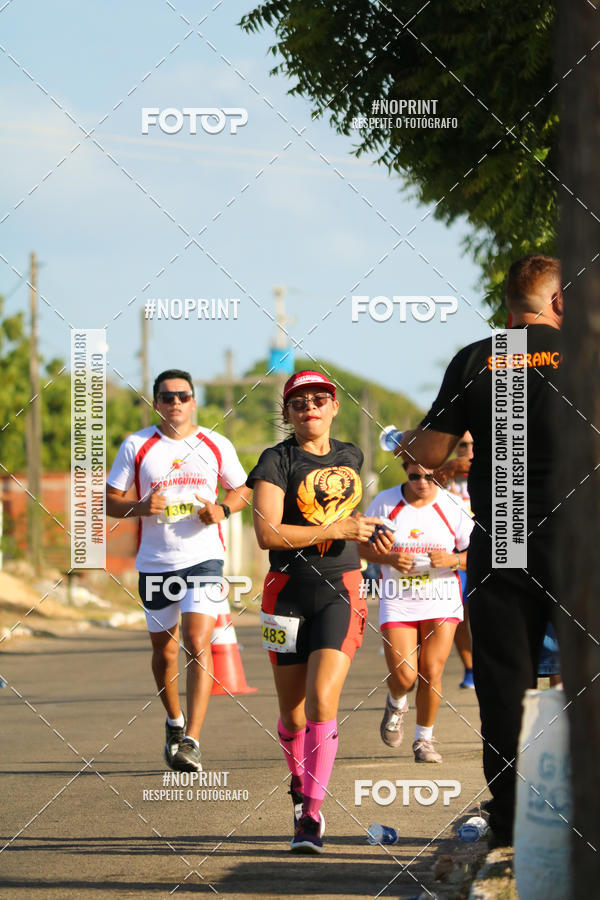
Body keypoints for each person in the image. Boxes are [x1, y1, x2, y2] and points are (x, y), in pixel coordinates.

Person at [393, 255, 563, 847]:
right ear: (558, 301)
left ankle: (514, 818)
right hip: (579, 533)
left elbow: (430, 453)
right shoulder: (586, 354)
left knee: (504, 677)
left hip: (507, 527)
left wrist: (404, 440)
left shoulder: (479, 358)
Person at [246, 370, 390, 854]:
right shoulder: (275, 461)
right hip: (284, 594)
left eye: (319, 399)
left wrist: (366, 535)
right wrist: (339, 529)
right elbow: (267, 534)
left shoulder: (352, 455)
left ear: (334, 406)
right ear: (288, 413)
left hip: (340, 590)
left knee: (322, 700)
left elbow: (350, 524)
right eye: (299, 402)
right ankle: (299, 781)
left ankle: (310, 814)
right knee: (292, 716)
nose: (310, 406)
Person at [106, 369, 251, 772]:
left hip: (203, 558)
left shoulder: (215, 444)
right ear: (156, 403)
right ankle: (174, 722)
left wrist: (222, 509)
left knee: (197, 641)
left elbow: (243, 489)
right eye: (167, 397)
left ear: (193, 401)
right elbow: (109, 501)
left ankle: (192, 742)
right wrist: (139, 507)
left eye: (183, 396)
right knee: (165, 651)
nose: (175, 403)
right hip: (156, 562)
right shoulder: (137, 445)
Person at [360, 461, 473, 762]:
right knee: (405, 676)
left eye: (429, 477)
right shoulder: (385, 502)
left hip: (441, 596)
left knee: (431, 670)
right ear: (404, 470)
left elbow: (480, 553)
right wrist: (390, 558)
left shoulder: (452, 505)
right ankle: (396, 701)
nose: (422, 482)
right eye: (414, 476)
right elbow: (360, 547)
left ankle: (424, 739)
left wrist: (452, 560)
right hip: (398, 598)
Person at [438, 433, 475, 689]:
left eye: (474, 444)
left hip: (489, 551)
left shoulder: (491, 467)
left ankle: (487, 665)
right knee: (460, 616)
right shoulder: (445, 473)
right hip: (456, 554)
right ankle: (470, 668)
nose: (469, 449)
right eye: (463, 444)